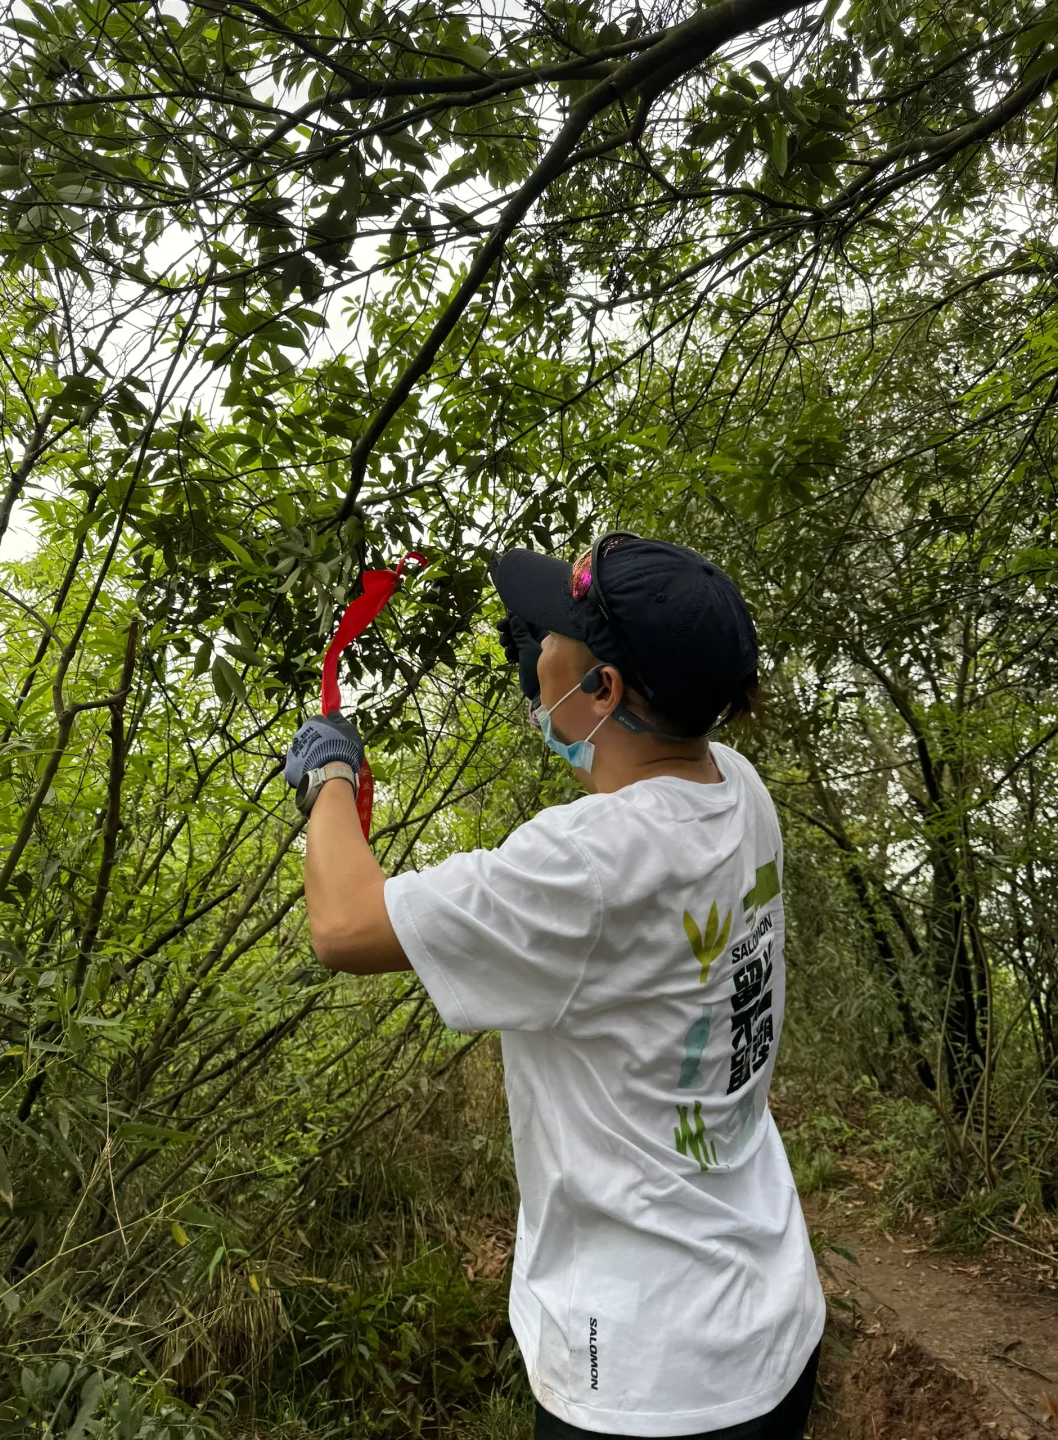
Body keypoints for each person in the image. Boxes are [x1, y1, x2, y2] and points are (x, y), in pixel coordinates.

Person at [283, 531, 825, 1439]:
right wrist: (555, 686)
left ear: (606, 688)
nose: (537, 653)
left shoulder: (587, 867)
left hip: (645, 1383)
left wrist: (331, 775)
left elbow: (343, 925)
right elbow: (637, 778)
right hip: (768, 1317)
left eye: (554, 642)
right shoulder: (737, 786)